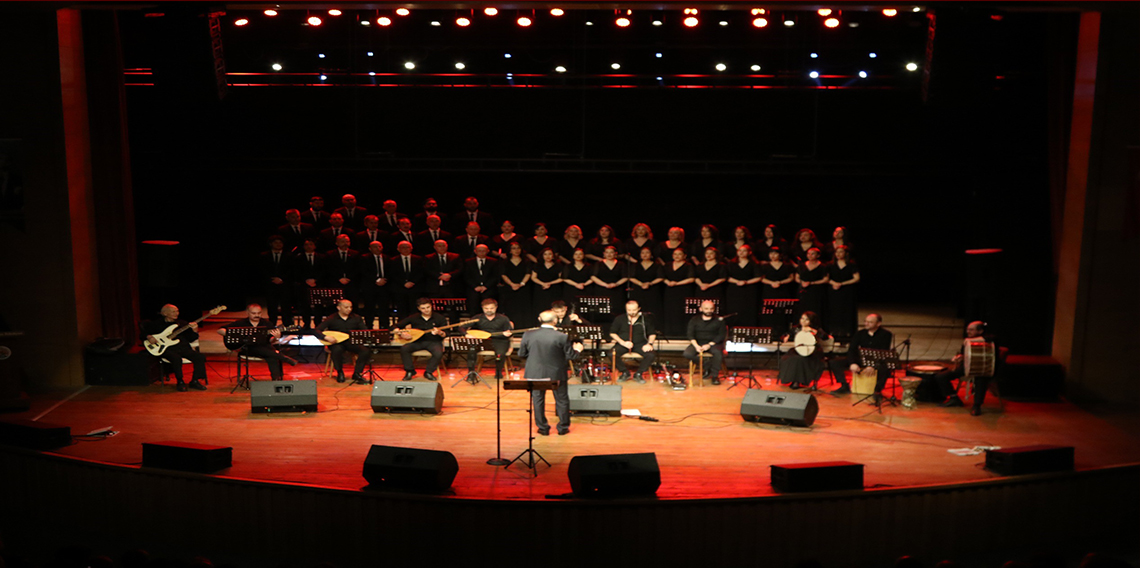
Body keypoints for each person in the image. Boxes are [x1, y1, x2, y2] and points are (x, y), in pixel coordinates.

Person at [520, 310, 583, 436]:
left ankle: (543, 428)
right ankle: (563, 427)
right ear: (555, 321)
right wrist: (578, 350)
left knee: (537, 400)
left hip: (535, 372)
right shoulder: (561, 336)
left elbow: (522, 354)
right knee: (561, 399)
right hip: (556, 372)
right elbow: (571, 356)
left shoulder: (527, 334)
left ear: (539, 319)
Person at [217, 304, 296, 381]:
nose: (256, 315)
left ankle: (276, 380)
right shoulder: (240, 323)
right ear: (248, 313)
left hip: (265, 348)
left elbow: (270, 341)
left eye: (259, 313)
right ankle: (283, 358)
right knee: (267, 352)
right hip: (247, 348)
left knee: (270, 355)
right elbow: (220, 330)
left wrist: (276, 337)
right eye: (254, 313)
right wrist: (235, 334)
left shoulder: (267, 324)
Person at [935, 321, 996, 416]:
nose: (968, 332)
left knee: (981, 379)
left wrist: (971, 340)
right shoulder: (967, 341)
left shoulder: (990, 339)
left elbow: (991, 339)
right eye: (967, 329)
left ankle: (976, 406)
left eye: (971, 330)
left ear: (980, 331)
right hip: (967, 367)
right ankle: (954, 398)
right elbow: (965, 354)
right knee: (941, 376)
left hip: (983, 369)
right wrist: (960, 356)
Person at [143, 304, 208, 392]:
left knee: (200, 357)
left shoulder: (182, 324)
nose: (176, 313)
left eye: (177, 311)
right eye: (173, 311)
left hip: (182, 348)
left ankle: (195, 381)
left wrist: (195, 330)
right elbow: (143, 334)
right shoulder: (156, 324)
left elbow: (191, 338)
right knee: (176, 358)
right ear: (165, 313)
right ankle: (180, 381)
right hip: (166, 349)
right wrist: (149, 337)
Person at [828, 313, 893, 399]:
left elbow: (883, 353)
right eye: (866, 321)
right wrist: (853, 363)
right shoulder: (860, 333)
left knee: (886, 368)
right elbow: (852, 350)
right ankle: (844, 385)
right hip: (861, 359)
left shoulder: (886, 334)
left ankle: (877, 390)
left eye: (870, 322)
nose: (866, 324)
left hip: (877, 360)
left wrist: (873, 366)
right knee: (835, 363)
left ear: (878, 324)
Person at [315, 299, 371, 384]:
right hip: (336, 342)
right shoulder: (331, 318)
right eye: (346, 307)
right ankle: (340, 372)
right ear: (339, 308)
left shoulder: (356, 318)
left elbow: (364, 330)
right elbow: (317, 330)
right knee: (337, 350)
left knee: (365, 350)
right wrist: (326, 337)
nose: (349, 309)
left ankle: (357, 373)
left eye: (350, 307)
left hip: (350, 342)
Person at [393, 298, 448, 381]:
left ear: (431, 306)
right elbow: (395, 326)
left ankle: (428, 372)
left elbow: (446, 333)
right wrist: (401, 333)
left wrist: (440, 332)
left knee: (438, 352)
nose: (426, 310)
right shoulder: (414, 317)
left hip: (433, 342)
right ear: (419, 308)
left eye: (428, 307)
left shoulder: (439, 318)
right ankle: (410, 371)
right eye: (423, 308)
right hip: (417, 341)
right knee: (404, 349)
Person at [464, 299, 514, 379]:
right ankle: (471, 373)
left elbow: (509, 331)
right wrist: (466, 334)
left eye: (491, 308)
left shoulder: (503, 318)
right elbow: (461, 327)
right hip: (482, 340)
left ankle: (498, 372)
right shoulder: (477, 318)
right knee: (471, 351)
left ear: (496, 307)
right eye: (486, 308)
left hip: (499, 340)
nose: (489, 310)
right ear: (482, 308)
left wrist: (507, 334)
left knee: (500, 354)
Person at [610, 300, 657, 383]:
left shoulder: (645, 319)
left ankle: (639, 373)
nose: (631, 312)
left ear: (639, 309)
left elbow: (652, 334)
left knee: (650, 355)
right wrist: (623, 342)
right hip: (624, 343)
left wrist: (649, 344)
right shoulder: (619, 319)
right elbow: (612, 333)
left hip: (641, 344)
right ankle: (625, 372)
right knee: (611, 353)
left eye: (634, 310)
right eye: (629, 310)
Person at [778, 311, 826, 390]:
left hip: (812, 351)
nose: (803, 321)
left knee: (800, 360)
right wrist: (786, 336)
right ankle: (790, 379)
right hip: (798, 349)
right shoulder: (797, 328)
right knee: (787, 358)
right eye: (802, 318)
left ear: (811, 321)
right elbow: (784, 335)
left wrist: (812, 330)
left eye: (806, 319)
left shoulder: (816, 329)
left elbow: (825, 337)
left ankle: (798, 381)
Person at [683, 300, 727, 384]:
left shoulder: (719, 320)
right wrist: (696, 346)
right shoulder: (694, 320)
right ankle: (706, 364)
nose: (709, 311)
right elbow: (690, 334)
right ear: (701, 309)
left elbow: (721, 335)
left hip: (714, 343)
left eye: (711, 309)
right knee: (687, 354)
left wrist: (709, 345)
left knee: (717, 353)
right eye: (706, 309)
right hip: (698, 343)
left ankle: (714, 376)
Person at [759, 246, 796, 335]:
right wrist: (771, 283)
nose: (773, 255)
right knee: (769, 312)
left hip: (783, 290)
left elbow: (791, 278)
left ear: (780, 255)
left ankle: (783, 332)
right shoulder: (765, 266)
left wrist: (780, 282)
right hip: (769, 290)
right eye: (771, 253)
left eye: (775, 253)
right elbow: (761, 278)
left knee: (782, 312)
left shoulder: (787, 265)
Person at [826, 245, 860, 340]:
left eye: (841, 252)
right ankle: (834, 332)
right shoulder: (830, 265)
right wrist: (834, 283)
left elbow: (856, 278)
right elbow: (826, 278)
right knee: (834, 310)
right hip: (834, 290)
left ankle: (848, 332)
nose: (838, 254)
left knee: (847, 310)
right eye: (837, 252)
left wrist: (842, 284)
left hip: (847, 291)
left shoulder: (851, 264)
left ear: (846, 253)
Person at [661, 247, 696, 336]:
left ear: (684, 256)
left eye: (679, 254)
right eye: (675, 254)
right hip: (670, 291)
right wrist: (668, 282)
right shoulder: (667, 265)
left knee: (681, 311)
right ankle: (669, 332)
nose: (677, 256)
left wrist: (676, 283)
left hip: (683, 290)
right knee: (670, 310)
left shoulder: (688, 266)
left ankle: (682, 332)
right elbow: (662, 277)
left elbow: (691, 279)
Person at [258, 235, 293, 326]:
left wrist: (282, 279)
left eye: (280, 243)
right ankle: (271, 324)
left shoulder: (289, 255)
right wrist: (271, 279)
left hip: (285, 285)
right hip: (270, 285)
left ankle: (287, 325)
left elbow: (292, 270)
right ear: (271, 244)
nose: (278, 244)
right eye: (275, 243)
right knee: (272, 306)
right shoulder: (264, 255)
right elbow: (262, 270)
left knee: (286, 306)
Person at [725, 244, 762, 326]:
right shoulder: (731, 263)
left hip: (749, 290)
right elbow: (726, 277)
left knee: (749, 310)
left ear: (749, 252)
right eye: (739, 251)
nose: (741, 253)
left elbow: (758, 277)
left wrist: (746, 282)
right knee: (734, 308)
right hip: (734, 290)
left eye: (744, 251)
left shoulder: (754, 264)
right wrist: (737, 282)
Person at [358, 240, 392, 329]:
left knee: (384, 307)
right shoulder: (364, 258)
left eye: (379, 246)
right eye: (375, 247)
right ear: (370, 248)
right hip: (370, 286)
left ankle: (384, 326)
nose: (378, 248)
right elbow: (363, 271)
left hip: (384, 287)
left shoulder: (387, 258)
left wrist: (384, 280)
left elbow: (391, 272)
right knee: (369, 307)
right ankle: (368, 326)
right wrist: (376, 280)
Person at [498, 241, 533, 327]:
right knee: (511, 308)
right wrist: (512, 284)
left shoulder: (526, 261)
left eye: (518, 248)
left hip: (523, 288)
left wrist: (521, 284)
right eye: (513, 248)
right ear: (510, 251)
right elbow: (503, 274)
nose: (516, 250)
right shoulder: (504, 262)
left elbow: (528, 273)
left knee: (524, 308)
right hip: (510, 288)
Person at [590, 245, 628, 321]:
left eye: (611, 252)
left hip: (617, 291)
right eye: (607, 252)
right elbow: (593, 277)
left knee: (617, 310)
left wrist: (616, 284)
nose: (609, 254)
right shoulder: (598, 264)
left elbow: (625, 277)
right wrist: (605, 285)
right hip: (602, 290)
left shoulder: (621, 264)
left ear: (615, 254)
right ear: (604, 254)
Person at [292, 238, 325, 327]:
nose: (309, 246)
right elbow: (296, 272)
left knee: (318, 306)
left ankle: (318, 324)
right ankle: (306, 324)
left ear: (314, 246)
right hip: (304, 285)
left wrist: (316, 280)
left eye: (311, 244)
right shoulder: (298, 258)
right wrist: (306, 280)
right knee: (304, 305)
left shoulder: (322, 257)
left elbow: (324, 271)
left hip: (318, 284)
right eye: (306, 245)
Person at [390, 240, 425, 319]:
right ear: (398, 249)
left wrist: (413, 282)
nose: (405, 249)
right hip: (399, 288)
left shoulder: (418, 259)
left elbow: (421, 272)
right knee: (401, 310)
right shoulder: (393, 260)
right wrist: (403, 283)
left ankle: (415, 328)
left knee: (414, 309)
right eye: (403, 247)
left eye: (407, 247)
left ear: (411, 248)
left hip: (415, 288)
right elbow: (392, 274)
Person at [628, 247, 663, 322]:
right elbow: (631, 277)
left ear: (651, 255)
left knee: (653, 308)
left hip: (653, 290)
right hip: (638, 289)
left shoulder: (657, 265)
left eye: (647, 253)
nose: (645, 255)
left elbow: (660, 277)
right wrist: (641, 284)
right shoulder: (635, 265)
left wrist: (650, 283)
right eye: (643, 253)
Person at [796, 247, 829, 319]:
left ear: (818, 255)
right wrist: (803, 283)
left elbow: (826, 279)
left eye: (812, 254)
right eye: (808, 254)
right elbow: (797, 278)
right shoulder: (801, 265)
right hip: (804, 291)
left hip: (817, 290)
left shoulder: (823, 266)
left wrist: (811, 283)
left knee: (817, 308)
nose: (810, 255)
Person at [463, 244, 498, 312]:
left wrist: (486, 286)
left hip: (489, 289)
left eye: (483, 251)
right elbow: (466, 276)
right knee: (473, 308)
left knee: (488, 307)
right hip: (473, 289)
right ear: (475, 251)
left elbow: (495, 276)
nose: (481, 252)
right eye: (479, 251)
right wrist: (475, 287)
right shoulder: (468, 262)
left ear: (487, 251)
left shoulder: (494, 261)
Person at [325, 234, 360, 301]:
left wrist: (349, 278)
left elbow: (357, 268)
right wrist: (339, 278)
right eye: (342, 241)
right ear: (336, 243)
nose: (345, 243)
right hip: (335, 283)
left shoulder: (355, 254)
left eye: (347, 241)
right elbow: (328, 268)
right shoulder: (330, 254)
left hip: (351, 284)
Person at [530, 248, 563, 318]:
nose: (548, 256)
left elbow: (561, 278)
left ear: (553, 256)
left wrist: (550, 283)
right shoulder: (537, 265)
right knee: (540, 306)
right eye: (545, 254)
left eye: (550, 254)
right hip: (540, 289)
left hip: (554, 289)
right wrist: (543, 283)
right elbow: (533, 277)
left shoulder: (558, 266)